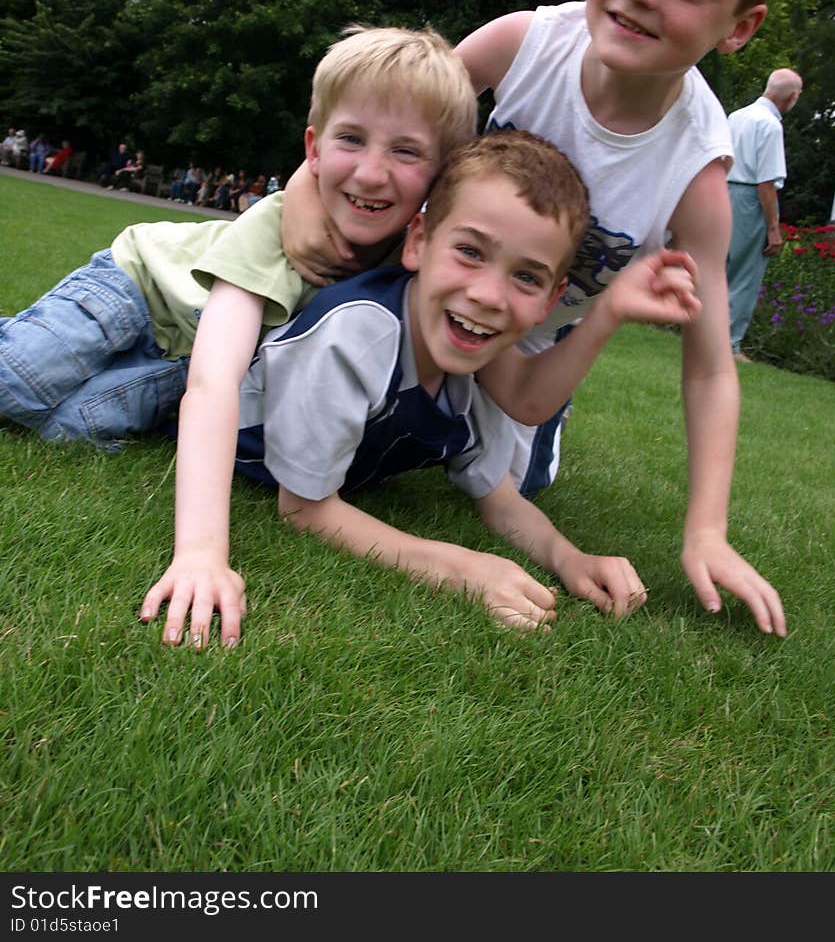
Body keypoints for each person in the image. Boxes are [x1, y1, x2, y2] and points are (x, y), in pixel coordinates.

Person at [281, 0, 794, 638]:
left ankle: (505, 433)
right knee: (304, 366)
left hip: (522, 347)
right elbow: (384, 115)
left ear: (741, 26)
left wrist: (707, 528)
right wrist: (299, 194)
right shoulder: (525, 43)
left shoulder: (696, 172)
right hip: (412, 287)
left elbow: (710, 361)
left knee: (515, 480)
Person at [142, 131, 702, 647]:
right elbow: (305, 508)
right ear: (418, 243)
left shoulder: (482, 358)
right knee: (77, 416)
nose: (488, 295)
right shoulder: (357, 334)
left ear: (550, 302)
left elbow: (498, 497)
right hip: (177, 385)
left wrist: (569, 557)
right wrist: (459, 568)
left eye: (526, 277)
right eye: (470, 252)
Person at [0, 26, 478, 452]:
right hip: (140, 290)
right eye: (351, 139)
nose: (371, 174)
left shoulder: (411, 263)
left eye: (406, 150)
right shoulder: (277, 220)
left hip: (182, 361)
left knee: (68, 428)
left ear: (442, 173)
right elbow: (216, 383)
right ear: (313, 149)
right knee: (15, 383)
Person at [726, 68, 801, 362]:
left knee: (720, 268)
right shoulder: (770, 125)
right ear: (791, 96)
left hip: (723, 191)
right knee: (745, 273)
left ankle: (703, 334)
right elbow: (766, 182)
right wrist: (773, 227)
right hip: (749, 199)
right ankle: (730, 344)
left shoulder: (737, 116)